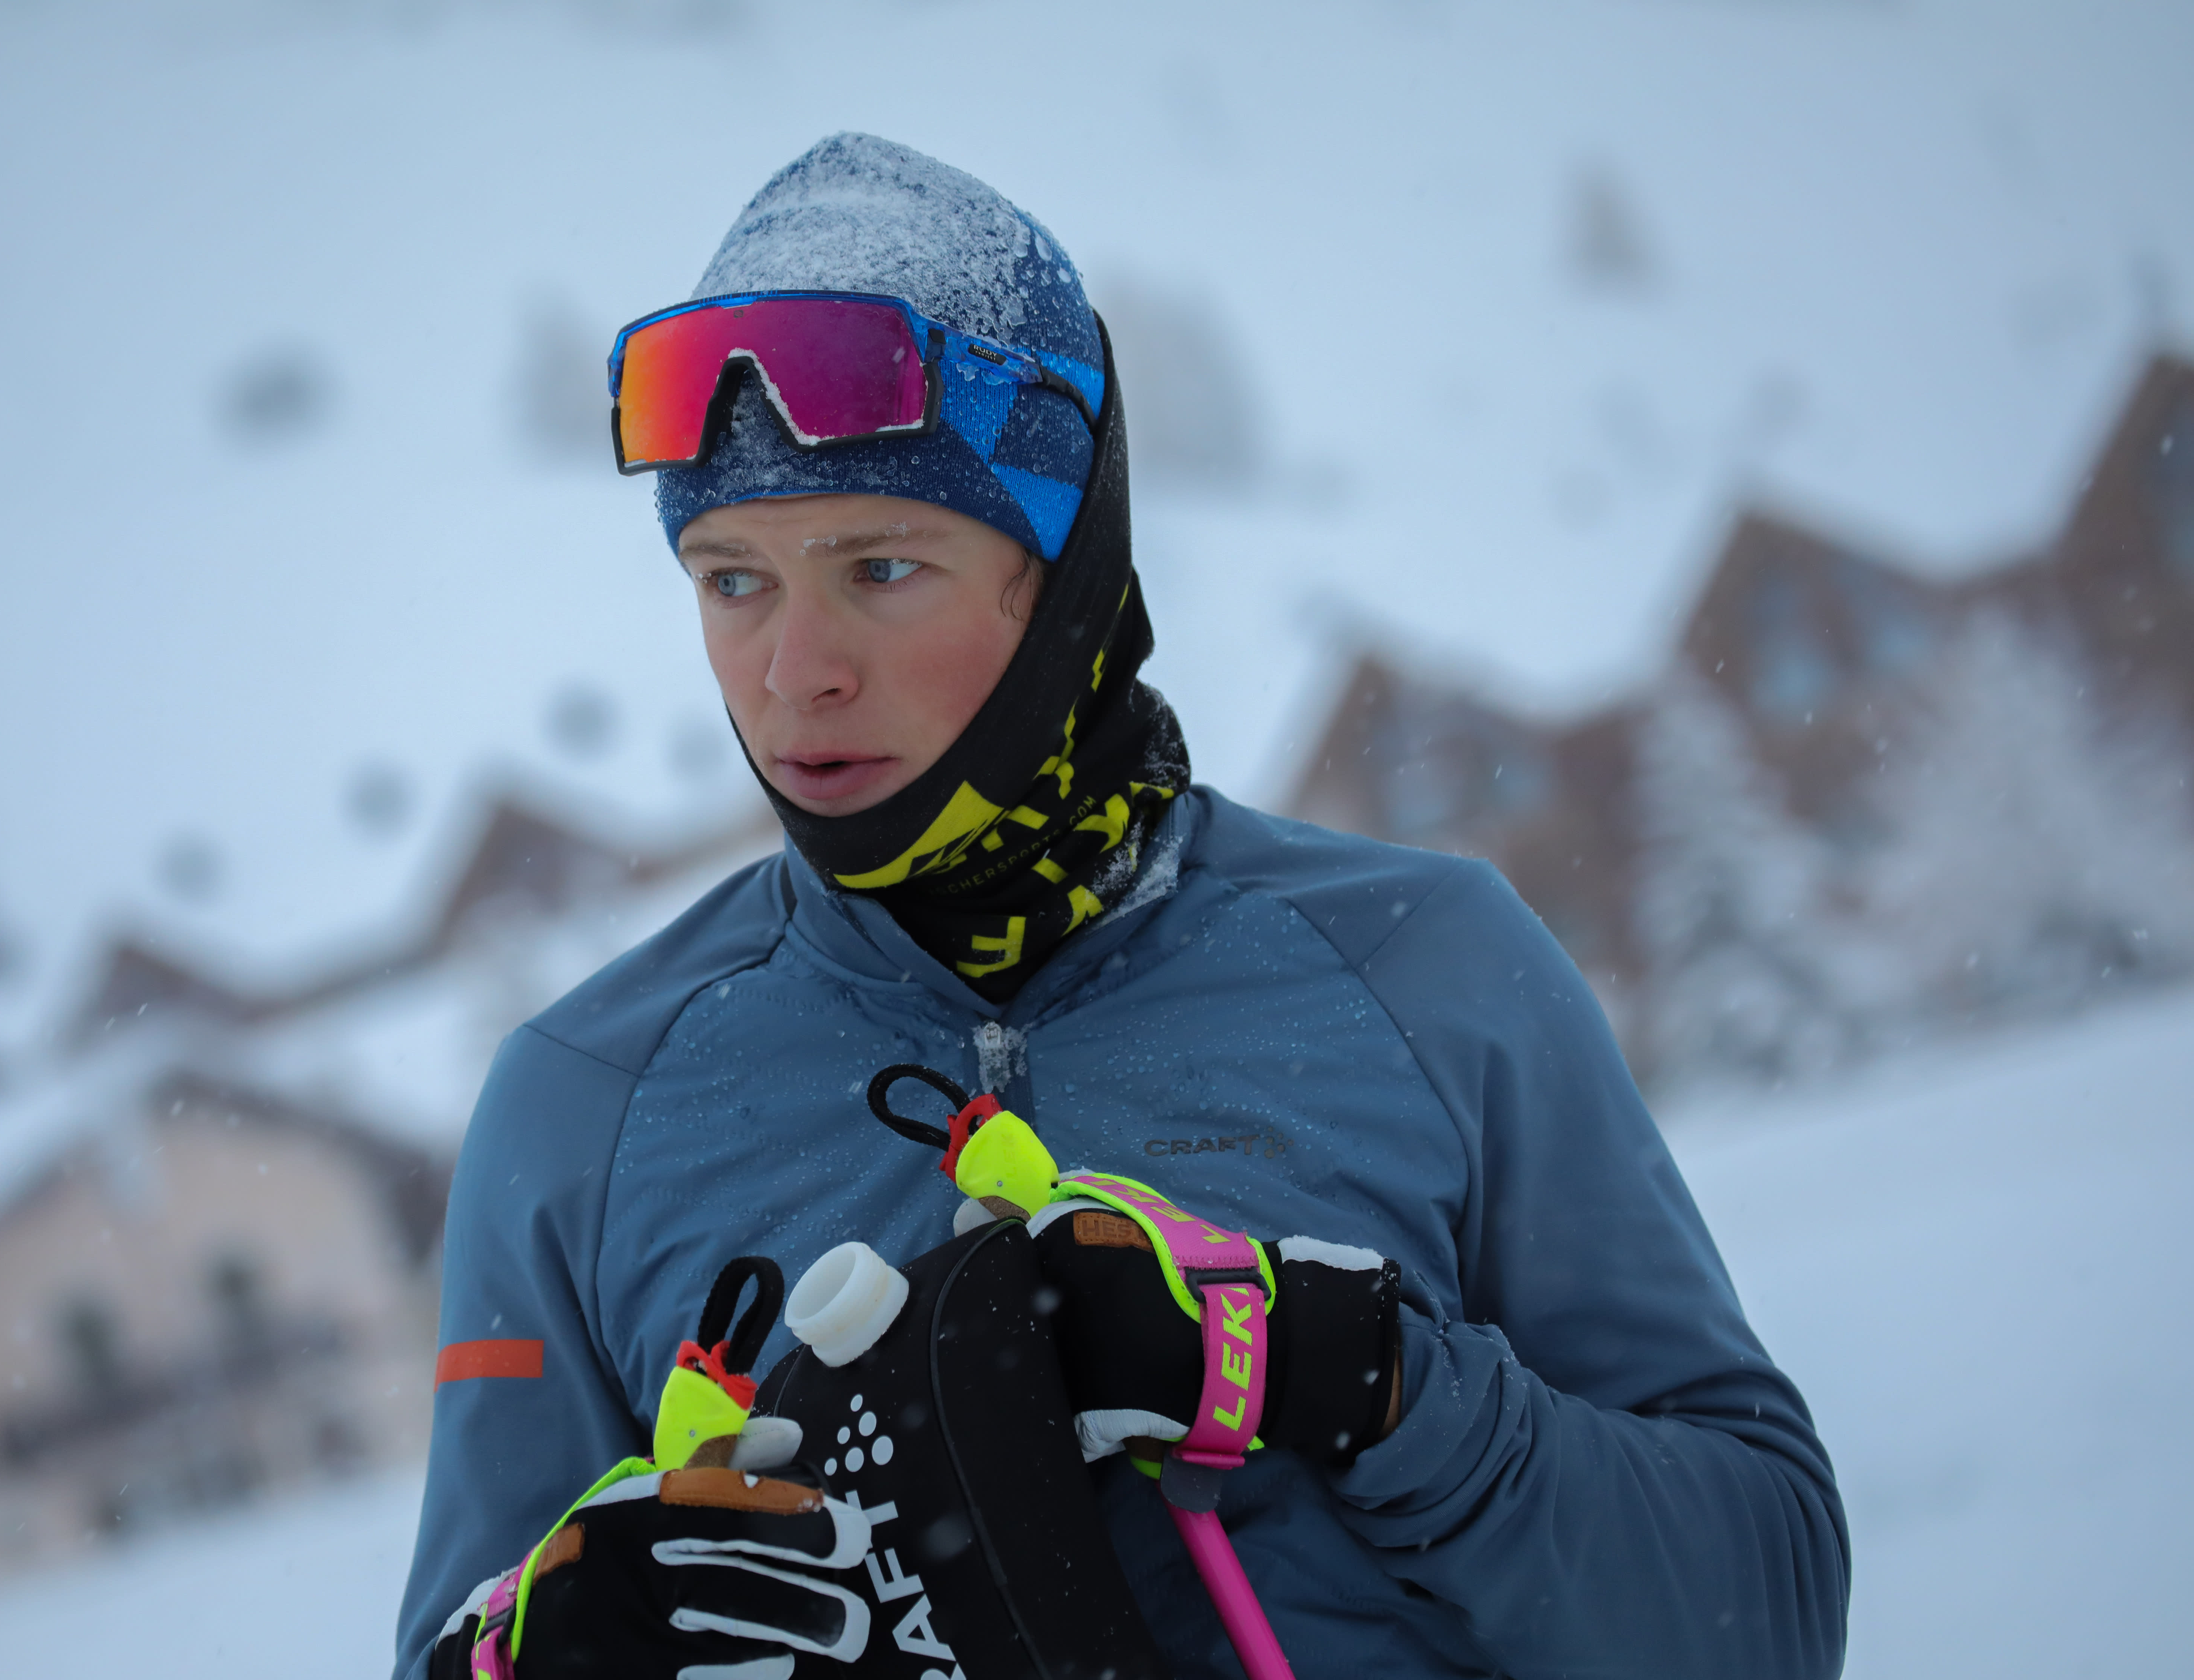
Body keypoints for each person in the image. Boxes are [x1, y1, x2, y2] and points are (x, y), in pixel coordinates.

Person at [393, 133, 1848, 1680]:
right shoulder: (581, 1114)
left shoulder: (1429, 972)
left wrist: (1354, 1378)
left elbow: (1762, 1620)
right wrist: (538, 1658)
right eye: (731, 578)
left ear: (1066, 566)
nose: (794, 671)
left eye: (881, 568)